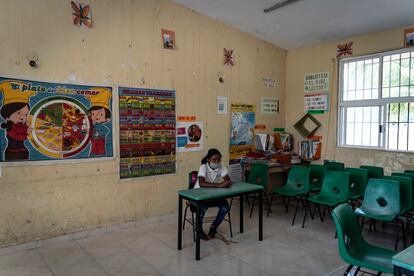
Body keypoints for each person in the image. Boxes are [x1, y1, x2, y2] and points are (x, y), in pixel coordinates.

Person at [195, 148, 233, 240]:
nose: (216, 162)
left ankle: (213, 227)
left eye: (218, 159)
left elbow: (228, 180)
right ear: (208, 159)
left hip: (212, 195)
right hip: (199, 195)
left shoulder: (221, 166)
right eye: (214, 160)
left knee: (225, 207)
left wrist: (227, 182)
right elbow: (202, 183)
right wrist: (220, 185)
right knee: (202, 208)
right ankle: (199, 229)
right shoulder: (203, 167)